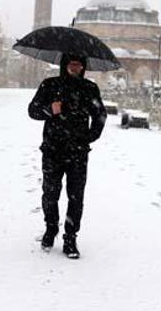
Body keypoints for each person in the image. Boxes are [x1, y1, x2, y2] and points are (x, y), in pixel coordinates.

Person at [28, 54, 107, 259]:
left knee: (76, 196)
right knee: (50, 193)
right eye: (72, 63)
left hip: (78, 153)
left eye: (80, 64)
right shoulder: (50, 85)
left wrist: (88, 138)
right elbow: (32, 110)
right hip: (52, 150)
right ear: (65, 64)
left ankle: (70, 237)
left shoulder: (89, 88)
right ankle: (51, 228)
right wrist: (49, 110)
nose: (76, 67)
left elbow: (100, 115)